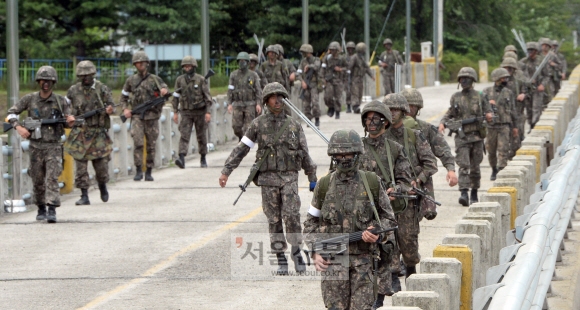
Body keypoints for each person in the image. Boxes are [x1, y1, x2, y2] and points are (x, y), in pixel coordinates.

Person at [219, 82, 316, 275]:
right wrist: (226, 170)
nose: (277, 100)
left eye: (280, 96)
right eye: (273, 96)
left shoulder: (294, 125)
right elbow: (242, 148)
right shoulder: (257, 124)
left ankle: (297, 253)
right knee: (274, 220)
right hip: (268, 179)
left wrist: (312, 175)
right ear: (266, 100)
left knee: (292, 216)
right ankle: (280, 258)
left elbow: (304, 152)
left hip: (289, 178)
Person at [303, 129, 397, 310]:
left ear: (357, 154)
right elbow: (309, 224)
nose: (343, 158)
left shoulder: (371, 182)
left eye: (348, 154)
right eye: (339, 154)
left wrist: (376, 232)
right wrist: (315, 251)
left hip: (364, 263)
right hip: (333, 263)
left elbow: (389, 220)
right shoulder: (323, 185)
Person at [358, 100, 414, 307]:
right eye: (367, 119)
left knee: (385, 249)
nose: (371, 123)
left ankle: (379, 296)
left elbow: (406, 181)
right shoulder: (357, 146)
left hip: (386, 208)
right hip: (361, 208)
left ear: (385, 122)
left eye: (375, 119)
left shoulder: (395, 149)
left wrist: (396, 190)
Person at [384, 93, 438, 291]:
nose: (391, 113)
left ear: (403, 111)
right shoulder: (380, 137)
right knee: (388, 238)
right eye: (388, 110)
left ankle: (411, 269)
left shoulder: (414, 135)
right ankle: (392, 277)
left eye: (395, 110)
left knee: (408, 239)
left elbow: (431, 164)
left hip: (408, 197)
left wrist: (418, 180)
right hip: (386, 198)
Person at [7, 66, 75, 223]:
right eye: (43, 80)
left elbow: (67, 122)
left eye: (49, 81)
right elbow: (11, 113)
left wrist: (71, 122)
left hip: (53, 145)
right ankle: (41, 207)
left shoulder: (61, 101)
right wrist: (19, 127)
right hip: (36, 147)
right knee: (37, 179)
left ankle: (52, 209)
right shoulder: (30, 99)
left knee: (52, 178)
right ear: (38, 81)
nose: (46, 83)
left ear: (54, 82)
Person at [439, 67, 493, 206]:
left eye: (467, 79)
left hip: (477, 137)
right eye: (462, 79)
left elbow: (489, 111)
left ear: (473, 80)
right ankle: (464, 192)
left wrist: (489, 115)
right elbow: (450, 113)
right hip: (462, 138)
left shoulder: (480, 96)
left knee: (475, 167)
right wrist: (442, 123)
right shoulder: (456, 97)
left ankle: (474, 192)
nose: (464, 81)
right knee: (463, 166)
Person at [64, 60, 115, 205]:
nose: (85, 78)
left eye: (88, 75)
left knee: (101, 167)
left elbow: (111, 105)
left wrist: (109, 110)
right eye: (82, 75)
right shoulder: (73, 91)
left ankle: (102, 186)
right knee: (80, 167)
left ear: (93, 74)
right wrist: (69, 117)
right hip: (80, 133)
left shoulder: (101, 89)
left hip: (98, 133)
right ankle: (84, 195)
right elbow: (65, 107)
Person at [121, 50, 169, 182]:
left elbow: (165, 90)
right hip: (137, 116)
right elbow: (123, 97)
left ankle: (149, 171)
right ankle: (138, 170)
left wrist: (164, 91)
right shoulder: (131, 80)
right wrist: (125, 109)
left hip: (152, 116)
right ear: (135, 65)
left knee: (151, 145)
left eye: (142, 63)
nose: (140, 65)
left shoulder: (155, 79)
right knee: (138, 143)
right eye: (138, 63)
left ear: (147, 64)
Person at [401, 88, 458, 191]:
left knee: (428, 205)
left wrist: (451, 169)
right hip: (398, 181)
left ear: (418, 108)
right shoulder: (390, 128)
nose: (410, 109)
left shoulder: (426, 128)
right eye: (407, 105)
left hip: (422, 180)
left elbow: (443, 149)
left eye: (413, 106)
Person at [172, 55, 213, 169]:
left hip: (200, 112)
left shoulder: (200, 79)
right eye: (185, 66)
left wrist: (208, 112)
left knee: (201, 136)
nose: (187, 68)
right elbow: (175, 97)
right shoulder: (180, 80)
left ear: (194, 66)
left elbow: (208, 98)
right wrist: (175, 111)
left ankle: (203, 157)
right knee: (184, 135)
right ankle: (181, 157)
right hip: (186, 112)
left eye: (189, 66)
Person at [483, 68, 518, 180]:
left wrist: (515, 126)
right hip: (491, 126)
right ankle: (494, 169)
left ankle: (501, 169)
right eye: (503, 78)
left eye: (506, 78)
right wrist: (488, 104)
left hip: (504, 125)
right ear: (497, 79)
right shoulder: (486, 92)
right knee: (491, 150)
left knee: (503, 149)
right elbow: (480, 108)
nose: (505, 80)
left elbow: (513, 110)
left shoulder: (509, 93)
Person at [227, 52, 263, 141]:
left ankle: (246, 141)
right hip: (238, 104)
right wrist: (229, 103)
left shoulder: (253, 75)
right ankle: (240, 137)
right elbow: (230, 89)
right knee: (236, 126)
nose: (241, 63)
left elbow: (258, 90)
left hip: (250, 104)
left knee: (249, 126)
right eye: (240, 61)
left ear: (247, 62)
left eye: (243, 61)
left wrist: (258, 104)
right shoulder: (234, 75)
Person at [501, 57, 528, 158]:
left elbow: (528, 91)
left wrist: (523, 95)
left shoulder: (519, 82)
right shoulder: (500, 83)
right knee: (504, 141)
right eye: (506, 68)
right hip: (504, 116)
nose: (508, 71)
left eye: (510, 68)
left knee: (517, 139)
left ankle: (515, 156)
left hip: (517, 114)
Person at [520, 42, 549, 129]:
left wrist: (542, 85)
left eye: (531, 50)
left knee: (536, 108)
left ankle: (535, 126)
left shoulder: (541, 61)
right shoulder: (523, 62)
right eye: (528, 50)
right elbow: (518, 74)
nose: (530, 52)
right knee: (528, 110)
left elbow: (547, 75)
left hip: (537, 89)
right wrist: (527, 80)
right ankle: (531, 125)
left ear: (536, 51)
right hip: (527, 89)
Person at [296, 44, 322, 127]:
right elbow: (298, 73)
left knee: (315, 103)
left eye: (304, 52)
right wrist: (302, 81)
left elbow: (317, 66)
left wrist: (309, 66)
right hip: (305, 85)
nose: (303, 54)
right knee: (306, 104)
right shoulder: (303, 61)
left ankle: (317, 119)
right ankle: (308, 120)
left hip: (314, 85)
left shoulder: (316, 59)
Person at [321, 41, 347, 119]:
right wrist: (323, 78)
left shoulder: (342, 58)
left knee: (338, 97)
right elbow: (323, 67)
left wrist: (340, 69)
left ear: (337, 50)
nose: (332, 51)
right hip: (329, 80)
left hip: (338, 80)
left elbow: (348, 68)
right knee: (327, 97)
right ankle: (331, 107)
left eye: (333, 50)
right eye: (331, 50)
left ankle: (337, 111)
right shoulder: (328, 58)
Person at [349, 42, 376, 114]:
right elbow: (349, 68)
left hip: (360, 78)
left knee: (360, 93)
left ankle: (357, 106)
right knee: (355, 93)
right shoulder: (354, 57)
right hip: (355, 78)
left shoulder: (362, 58)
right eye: (363, 50)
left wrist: (372, 76)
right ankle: (355, 107)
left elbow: (366, 68)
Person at [344, 41, 356, 113]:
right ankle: (348, 105)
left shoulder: (356, 57)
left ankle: (355, 106)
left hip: (355, 76)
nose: (350, 50)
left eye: (351, 48)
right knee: (348, 92)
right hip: (347, 76)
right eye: (349, 48)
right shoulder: (344, 57)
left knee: (355, 92)